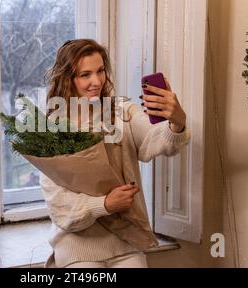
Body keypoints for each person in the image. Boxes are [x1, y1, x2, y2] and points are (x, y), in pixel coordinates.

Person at [41, 39, 190, 268]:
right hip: (77, 246)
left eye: (100, 71)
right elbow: (59, 203)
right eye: (85, 74)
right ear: (67, 78)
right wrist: (105, 204)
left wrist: (177, 122)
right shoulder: (53, 128)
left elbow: (156, 139)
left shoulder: (122, 112)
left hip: (126, 239)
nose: (96, 81)